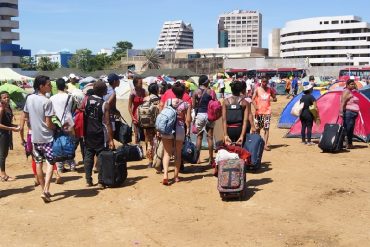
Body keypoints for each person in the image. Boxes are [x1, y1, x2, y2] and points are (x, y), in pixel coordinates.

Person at [23, 75, 56, 203]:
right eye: (48, 84)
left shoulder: (29, 98)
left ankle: (43, 190)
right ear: (41, 86)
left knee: (38, 163)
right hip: (47, 137)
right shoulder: (47, 101)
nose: (50, 86)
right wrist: (56, 128)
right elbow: (49, 123)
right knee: (50, 163)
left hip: (35, 137)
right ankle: (45, 189)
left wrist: (32, 126)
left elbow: (26, 116)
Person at [159, 81, 191, 185]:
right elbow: (188, 119)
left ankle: (165, 175)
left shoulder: (168, 101)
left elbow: (163, 114)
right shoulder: (186, 104)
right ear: (184, 92)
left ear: (173, 91)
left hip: (168, 128)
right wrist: (188, 129)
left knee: (167, 153)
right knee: (178, 153)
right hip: (180, 128)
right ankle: (176, 176)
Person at [84, 80, 114, 187]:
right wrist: (111, 139)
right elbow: (107, 123)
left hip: (88, 132)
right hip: (100, 134)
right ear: (104, 91)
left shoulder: (87, 100)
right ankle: (101, 181)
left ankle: (88, 180)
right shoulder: (104, 104)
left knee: (88, 156)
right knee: (101, 157)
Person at [50, 78, 75, 172]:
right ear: (64, 85)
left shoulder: (52, 98)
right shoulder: (69, 97)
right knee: (69, 143)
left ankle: (60, 166)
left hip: (57, 123)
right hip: (69, 122)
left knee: (58, 144)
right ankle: (71, 164)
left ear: (56, 86)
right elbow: (72, 109)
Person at [192, 75, 216, 165]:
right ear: (206, 82)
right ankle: (211, 159)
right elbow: (216, 104)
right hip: (210, 115)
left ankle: (197, 159)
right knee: (210, 137)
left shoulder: (195, 92)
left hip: (200, 115)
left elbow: (193, 105)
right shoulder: (211, 92)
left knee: (199, 137)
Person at [222, 81, 254, 145]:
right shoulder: (245, 103)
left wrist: (225, 135)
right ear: (240, 90)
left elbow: (224, 119)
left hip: (229, 129)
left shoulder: (225, 102)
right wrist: (242, 135)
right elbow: (245, 121)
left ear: (231, 89)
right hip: (240, 128)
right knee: (241, 150)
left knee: (229, 150)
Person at [252, 77, 277, 151]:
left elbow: (275, 98)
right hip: (259, 112)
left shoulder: (270, 90)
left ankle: (265, 145)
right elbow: (252, 99)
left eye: (266, 82)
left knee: (266, 128)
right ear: (261, 82)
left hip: (267, 112)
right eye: (263, 81)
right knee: (258, 129)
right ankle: (258, 144)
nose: (264, 83)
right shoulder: (257, 89)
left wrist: (274, 98)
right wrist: (255, 106)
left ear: (268, 82)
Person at [0, 91, 20, 181]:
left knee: (5, 154)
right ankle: (3, 174)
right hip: (2, 134)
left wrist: (16, 126)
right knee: (2, 155)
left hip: (6, 133)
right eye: (4, 97)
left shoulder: (8, 108)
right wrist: (12, 128)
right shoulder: (1, 109)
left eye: (8, 97)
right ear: (0, 99)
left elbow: (7, 122)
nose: (7, 99)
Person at [142, 83, 161, 167]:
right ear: (156, 90)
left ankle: (150, 161)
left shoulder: (145, 98)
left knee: (150, 142)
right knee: (158, 141)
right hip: (157, 122)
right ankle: (158, 160)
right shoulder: (159, 98)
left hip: (147, 123)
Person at [340, 79, 360, 149]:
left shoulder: (351, 91)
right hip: (349, 112)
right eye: (351, 84)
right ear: (347, 85)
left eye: (353, 84)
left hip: (353, 113)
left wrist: (355, 86)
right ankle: (346, 143)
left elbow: (357, 89)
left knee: (350, 129)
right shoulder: (346, 91)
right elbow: (342, 102)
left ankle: (349, 144)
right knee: (348, 129)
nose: (353, 85)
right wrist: (341, 111)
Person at [128, 77, 147, 144]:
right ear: (135, 84)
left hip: (144, 114)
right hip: (135, 115)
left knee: (145, 134)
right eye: (140, 83)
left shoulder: (144, 91)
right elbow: (129, 107)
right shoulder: (132, 93)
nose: (142, 84)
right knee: (136, 135)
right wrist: (132, 117)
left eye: (141, 82)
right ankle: (137, 151)